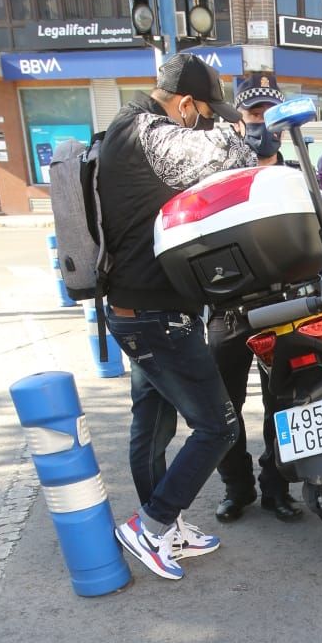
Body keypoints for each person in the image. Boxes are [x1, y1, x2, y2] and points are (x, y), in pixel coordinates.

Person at [98, 52, 256, 581]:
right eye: (205, 112)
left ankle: (166, 524)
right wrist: (233, 128)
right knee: (218, 425)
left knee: (155, 421)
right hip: (155, 316)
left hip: (136, 310)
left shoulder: (123, 128)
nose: (208, 120)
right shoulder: (151, 131)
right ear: (185, 104)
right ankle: (153, 525)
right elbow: (231, 154)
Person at [206, 80, 304, 525]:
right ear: (238, 119)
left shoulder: (296, 178)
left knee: (281, 406)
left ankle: (276, 489)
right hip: (229, 312)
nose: (262, 123)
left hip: (280, 309)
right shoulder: (218, 177)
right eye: (253, 115)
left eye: (269, 114)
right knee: (224, 408)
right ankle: (237, 489)